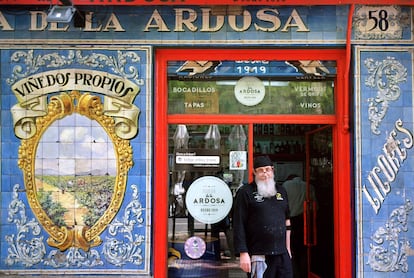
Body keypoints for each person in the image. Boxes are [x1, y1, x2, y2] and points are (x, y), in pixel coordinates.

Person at [233, 156, 293, 278]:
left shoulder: (282, 191)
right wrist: (243, 253)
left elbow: (287, 221)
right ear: (255, 172)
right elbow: (238, 224)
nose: (264, 173)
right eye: (260, 170)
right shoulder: (245, 192)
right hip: (259, 255)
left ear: (272, 170)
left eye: (267, 169)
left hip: (282, 254)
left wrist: (288, 248)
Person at [282, 174, 317, 278]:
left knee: (291, 249)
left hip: (290, 221)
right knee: (303, 250)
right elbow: (315, 206)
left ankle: (293, 273)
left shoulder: (285, 186)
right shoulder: (309, 187)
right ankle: (304, 274)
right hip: (304, 220)